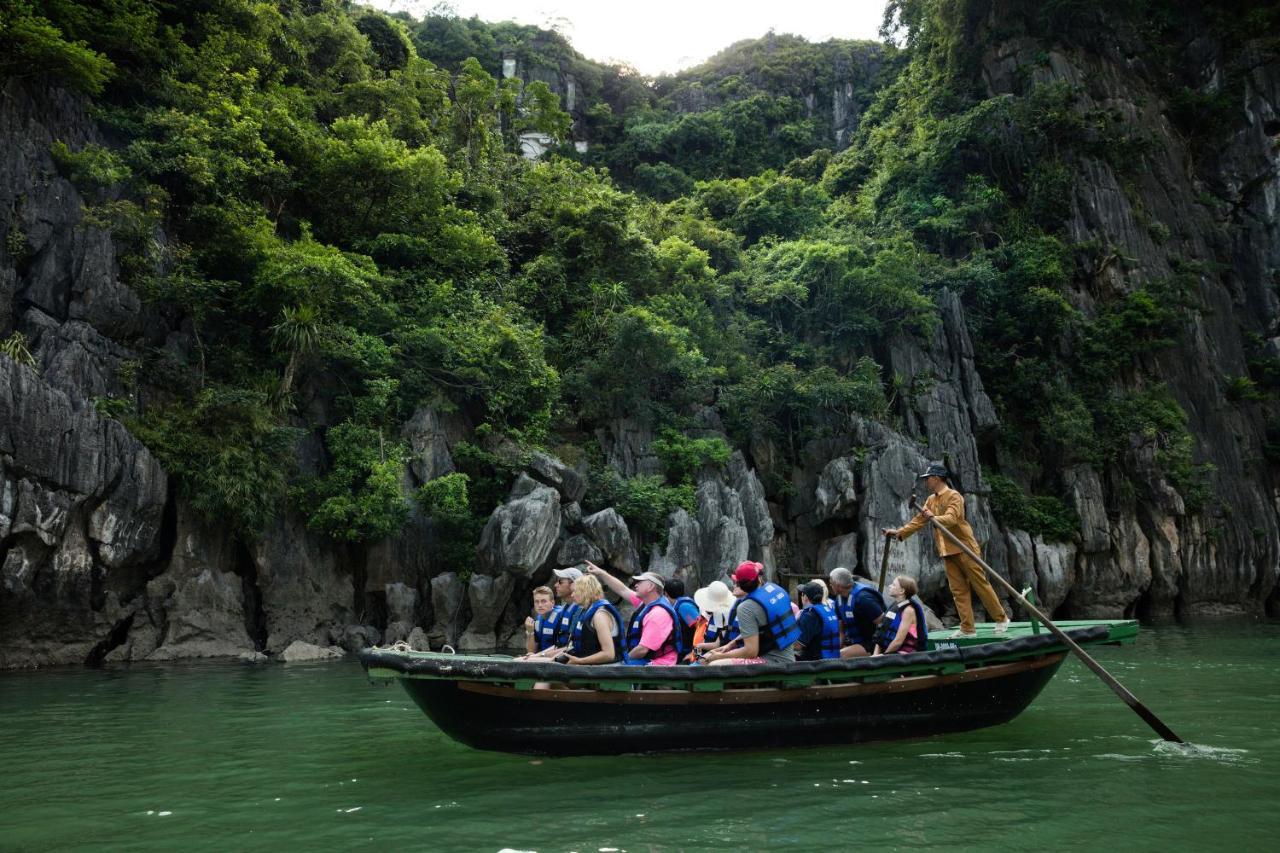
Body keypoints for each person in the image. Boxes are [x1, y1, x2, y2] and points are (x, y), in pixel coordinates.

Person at [884, 461, 1010, 638]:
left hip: (965, 548)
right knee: (958, 591)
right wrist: (899, 533)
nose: (926, 482)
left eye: (928, 479)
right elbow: (919, 521)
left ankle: (1001, 618)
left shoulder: (954, 496)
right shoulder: (931, 500)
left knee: (980, 585)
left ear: (936, 478)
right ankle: (968, 629)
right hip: (947, 551)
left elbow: (951, 518)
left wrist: (934, 517)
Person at [703, 562, 799, 666]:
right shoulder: (776, 589)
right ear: (759, 579)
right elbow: (763, 630)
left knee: (712, 664)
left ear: (739, 585)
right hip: (787, 655)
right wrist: (730, 644)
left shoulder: (746, 607)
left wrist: (719, 656)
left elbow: (751, 651)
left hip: (773, 660)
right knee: (707, 658)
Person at [586, 563, 681, 665]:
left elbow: (642, 650)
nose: (635, 584)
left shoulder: (658, 614)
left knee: (611, 669)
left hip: (658, 664)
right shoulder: (645, 603)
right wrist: (601, 573)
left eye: (640, 582)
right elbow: (622, 589)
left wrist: (623, 661)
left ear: (650, 586)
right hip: (644, 659)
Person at [563, 574, 623, 665]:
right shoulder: (585, 611)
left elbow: (609, 654)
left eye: (574, 591)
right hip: (590, 667)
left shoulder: (600, 616)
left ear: (585, 591)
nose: (572, 595)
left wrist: (579, 661)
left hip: (606, 670)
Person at [828, 566, 886, 658]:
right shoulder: (838, 600)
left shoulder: (863, 598)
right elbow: (841, 631)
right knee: (831, 654)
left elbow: (883, 623)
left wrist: (878, 651)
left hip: (870, 643)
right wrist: (834, 649)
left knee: (840, 655)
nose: (830, 586)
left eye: (831, 583)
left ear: (837, 585)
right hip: (852, 641)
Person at [873, 575, 930, 655]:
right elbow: (881, 633)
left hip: (905, 654)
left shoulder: (908, 611)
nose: (890, 586)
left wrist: (883, 656)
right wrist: (875, 655)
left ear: (902, 591)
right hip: (890, 653)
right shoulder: (894, 607)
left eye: (893, 585)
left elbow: (898, 641)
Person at [794, 581, 840, 661]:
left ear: (805, 597)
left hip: (815, 662)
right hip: (832, 656)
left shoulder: (810, 615)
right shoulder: (828, 610)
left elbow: (797, 646)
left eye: (802, 594)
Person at [690, 580, 735, 660]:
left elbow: (718, 644)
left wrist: (698, 646)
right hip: (705, 651)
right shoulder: (713, 614)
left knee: (696, 664)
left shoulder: (726, 619)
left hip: (716, 654)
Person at [665, 577, 701, 661]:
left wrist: (695, 653)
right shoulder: (675, 606)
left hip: (688, 652)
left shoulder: (684, 607)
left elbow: (701, 629)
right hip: (679, 651)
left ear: (666, 594)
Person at [523, 586, 559, 655]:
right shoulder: (538, 620)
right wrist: (530, 631)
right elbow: (531, 651)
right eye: (536, 602)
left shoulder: (560, 617)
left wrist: (539, 656)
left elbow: (564, 647)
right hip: (542, 659)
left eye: (543, 601)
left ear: (552, 603)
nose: (540, 605)